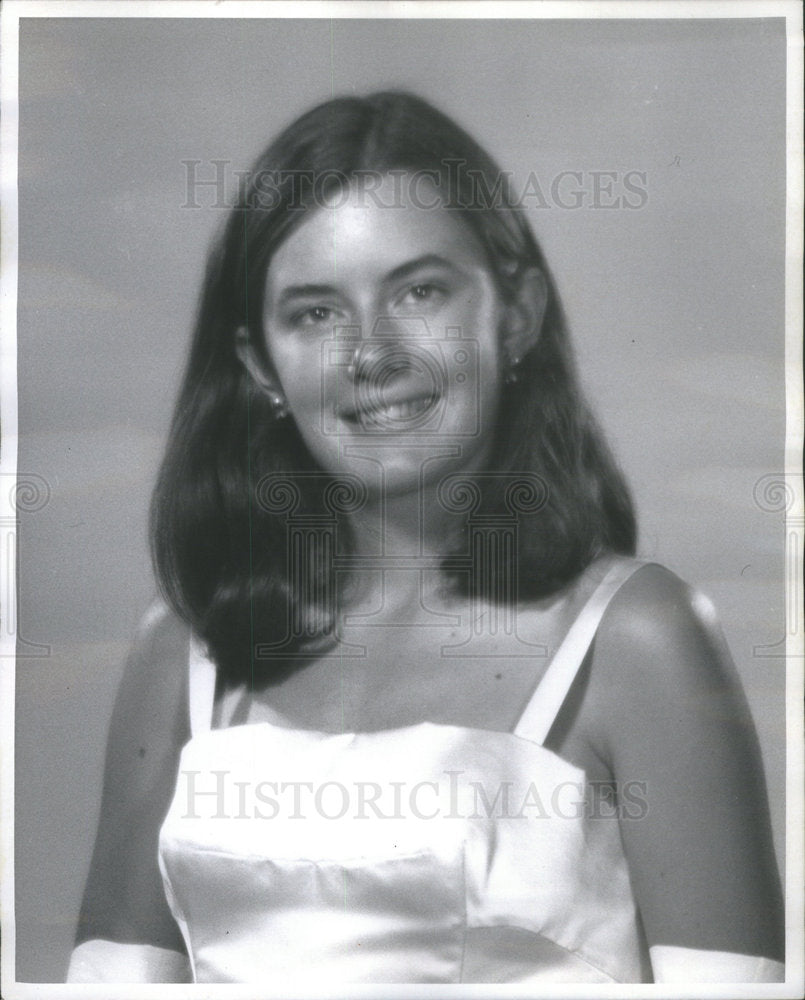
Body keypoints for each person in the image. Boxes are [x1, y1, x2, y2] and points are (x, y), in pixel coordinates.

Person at [67, 91, 784, 985]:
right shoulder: (181, 650)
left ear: (513, 313)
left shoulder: (639, 639)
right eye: (316, 313)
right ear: (260, 364)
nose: (372, 353)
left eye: (418, 292)